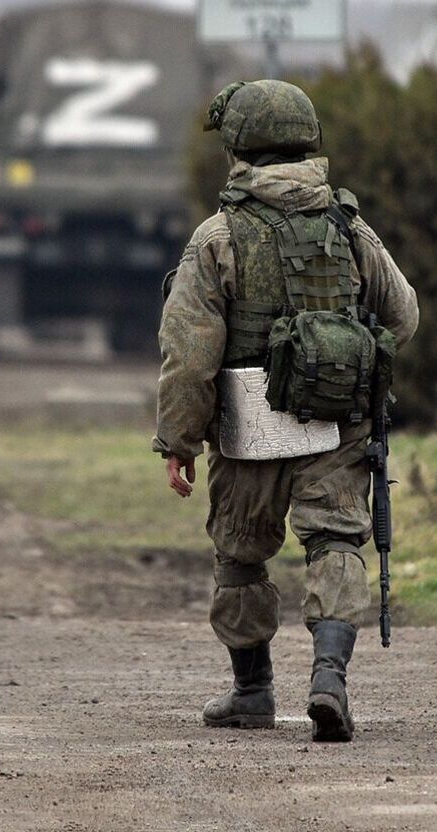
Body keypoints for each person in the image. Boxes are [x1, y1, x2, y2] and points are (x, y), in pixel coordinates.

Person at [152, 79, 418, 742]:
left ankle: (253, 691)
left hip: (249, 426)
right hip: (338, 421)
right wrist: (348, 358)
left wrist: (177, 440)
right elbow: (403, 315)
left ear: (239, 146)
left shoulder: (217, 238)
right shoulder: (349, 225)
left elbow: (189, 353)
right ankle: (329, 679)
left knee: (240, 552)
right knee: (334, 540)